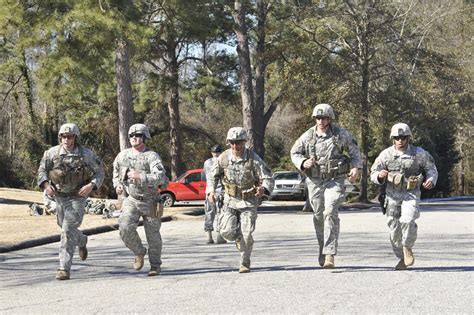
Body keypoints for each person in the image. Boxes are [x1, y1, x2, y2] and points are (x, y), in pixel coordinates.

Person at [290, 103, 362, 269]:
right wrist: (303, 162)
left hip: (335, 180)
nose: (320, 121)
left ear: (330, 119)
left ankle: (330, 253)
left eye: (323, 118)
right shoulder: (307, 136)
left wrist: (355, 168)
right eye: (317, 118)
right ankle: (322, 247)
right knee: (318, 216)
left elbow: (355, 153)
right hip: (314, 181)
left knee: (330, 212)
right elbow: (294, 152)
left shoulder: (340, 135)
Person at [37, 123, 104, 280]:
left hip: (77, 197)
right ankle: (82, 239)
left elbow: (99, 172)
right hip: (59, 196)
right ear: (60, 137)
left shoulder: (86, 154)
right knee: (63, 225)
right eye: (64, 136)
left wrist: (91, 185)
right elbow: (41, 171)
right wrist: (46, 185)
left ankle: (63, 268)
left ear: (75, 137)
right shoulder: (51, 153)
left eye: (70, 136)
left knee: (67, 230)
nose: (67, 139)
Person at [370, 123, 438, 270]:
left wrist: (430, 180)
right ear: (393, 139)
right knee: (394, 231)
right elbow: (373, 172)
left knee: (407, 220)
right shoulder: (386, 154)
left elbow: (431, 169)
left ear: (408, 138)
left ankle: (407, 247)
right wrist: (379, 176)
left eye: (403, 137)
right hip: (392, 195)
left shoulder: (419, 153)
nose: (400, 141)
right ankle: (402, 257)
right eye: (397, 138)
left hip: (410, 194)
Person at [207, 127, 274, 273]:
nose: (235, 146)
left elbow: (268, 176)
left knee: (247, 233)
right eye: (232, 143)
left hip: (248, 201)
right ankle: (238, 238)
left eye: (238, 143)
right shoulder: (223, 158)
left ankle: (244, 262)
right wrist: (211, 191)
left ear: (244, 142)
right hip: (230, 200)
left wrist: (264, 189)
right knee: (225, 232)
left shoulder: (253, 158)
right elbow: (213, 175)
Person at [112, 123, 168, 277]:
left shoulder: (152, 156)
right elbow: (116, 173)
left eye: (137, 135)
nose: (134, 138)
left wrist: (141, 176)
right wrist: (117, 185)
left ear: (144, 137)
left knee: (153, 235)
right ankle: (139, 251)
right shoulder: (122, 156)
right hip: (132, 199)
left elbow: (161, 177)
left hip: (151, 200)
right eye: (131, 135)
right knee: (124, 227)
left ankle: (155, 266)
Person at [203, 144, 227, 244]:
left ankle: (208, 236)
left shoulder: (207, 162)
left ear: (211, 152)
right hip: (220, 191)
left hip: (209, 192)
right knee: (220, 214)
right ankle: (219, 236)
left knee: (209, 213)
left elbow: (206, 175)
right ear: (221, 152)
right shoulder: (223, 161)